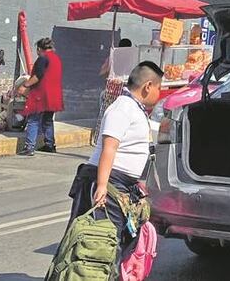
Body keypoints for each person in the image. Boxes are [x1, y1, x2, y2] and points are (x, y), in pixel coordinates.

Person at [66, 61, 163, 262]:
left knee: (115, 243)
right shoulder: (123, 108)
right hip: (109, 184)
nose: (159, 93)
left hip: (119, 185)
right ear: (148, 86)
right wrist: (101, 187)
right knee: (103, 245)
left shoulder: (134, 108)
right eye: (159, 88)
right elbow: (110, 147)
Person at [17, 37, 64, 156]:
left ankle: (29, 147)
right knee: (48, 120)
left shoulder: (43, 58)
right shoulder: (57, 58)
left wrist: (25, 86)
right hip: (54, 94)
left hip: (42, 93)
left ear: (39, 49)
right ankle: (50, 145)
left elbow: (37, 76)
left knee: (33, 119)